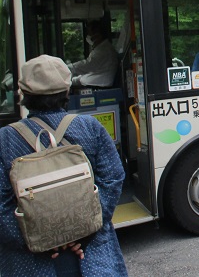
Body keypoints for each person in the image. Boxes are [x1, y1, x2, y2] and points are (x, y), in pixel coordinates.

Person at [0, 55, 128, 276]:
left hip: (30, 263)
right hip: (91, 257)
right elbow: (113, 178)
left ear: (24, 95)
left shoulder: (6, 138)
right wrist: (84, 231)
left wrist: (39, 240)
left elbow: (2, 205)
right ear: (66, 92)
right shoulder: (90, 127)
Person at [68, 20, 118, 88]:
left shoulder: (104, 50)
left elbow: (89, 65)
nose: (88, 36)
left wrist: (71, 67)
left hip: (99, 84)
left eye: (89, 33)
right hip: (95, 81)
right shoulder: (100, 48)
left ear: (97, 35)